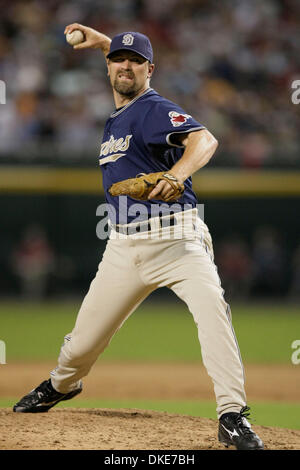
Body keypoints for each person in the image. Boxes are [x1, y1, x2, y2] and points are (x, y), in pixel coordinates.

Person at [13, 24, 264, 451]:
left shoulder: (153, 108)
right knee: (79, 347)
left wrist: (175, 173)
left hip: (177, 238)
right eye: (117, 60)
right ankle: (63, 384)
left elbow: (205, 140)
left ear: (152, 69)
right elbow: (126, 61)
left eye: (134, 62)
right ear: (108, 67)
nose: (124, 66)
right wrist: (104, 42)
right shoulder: (118, 112)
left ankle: (232, 415)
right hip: (124, 245)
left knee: (213, 317)